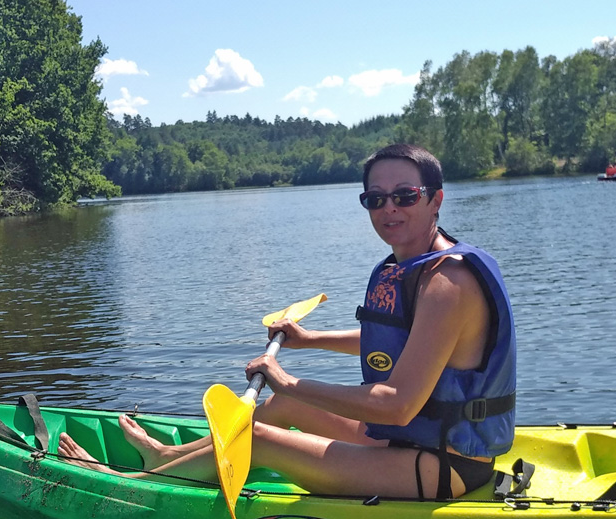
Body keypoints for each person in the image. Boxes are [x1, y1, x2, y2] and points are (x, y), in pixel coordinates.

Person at [58, 144, 516, 500]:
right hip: (411, 445)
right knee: (282, 411)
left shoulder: (447, 283)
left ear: (435, 199)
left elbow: (395, 405)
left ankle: (129, 485)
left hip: (444, 464)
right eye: (375, 198)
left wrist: (287, 381)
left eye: (404, 196)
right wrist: (307, 338)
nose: (388, 209)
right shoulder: (420, 267)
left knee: (259, 435)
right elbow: (402, 345)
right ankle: (167, 458)